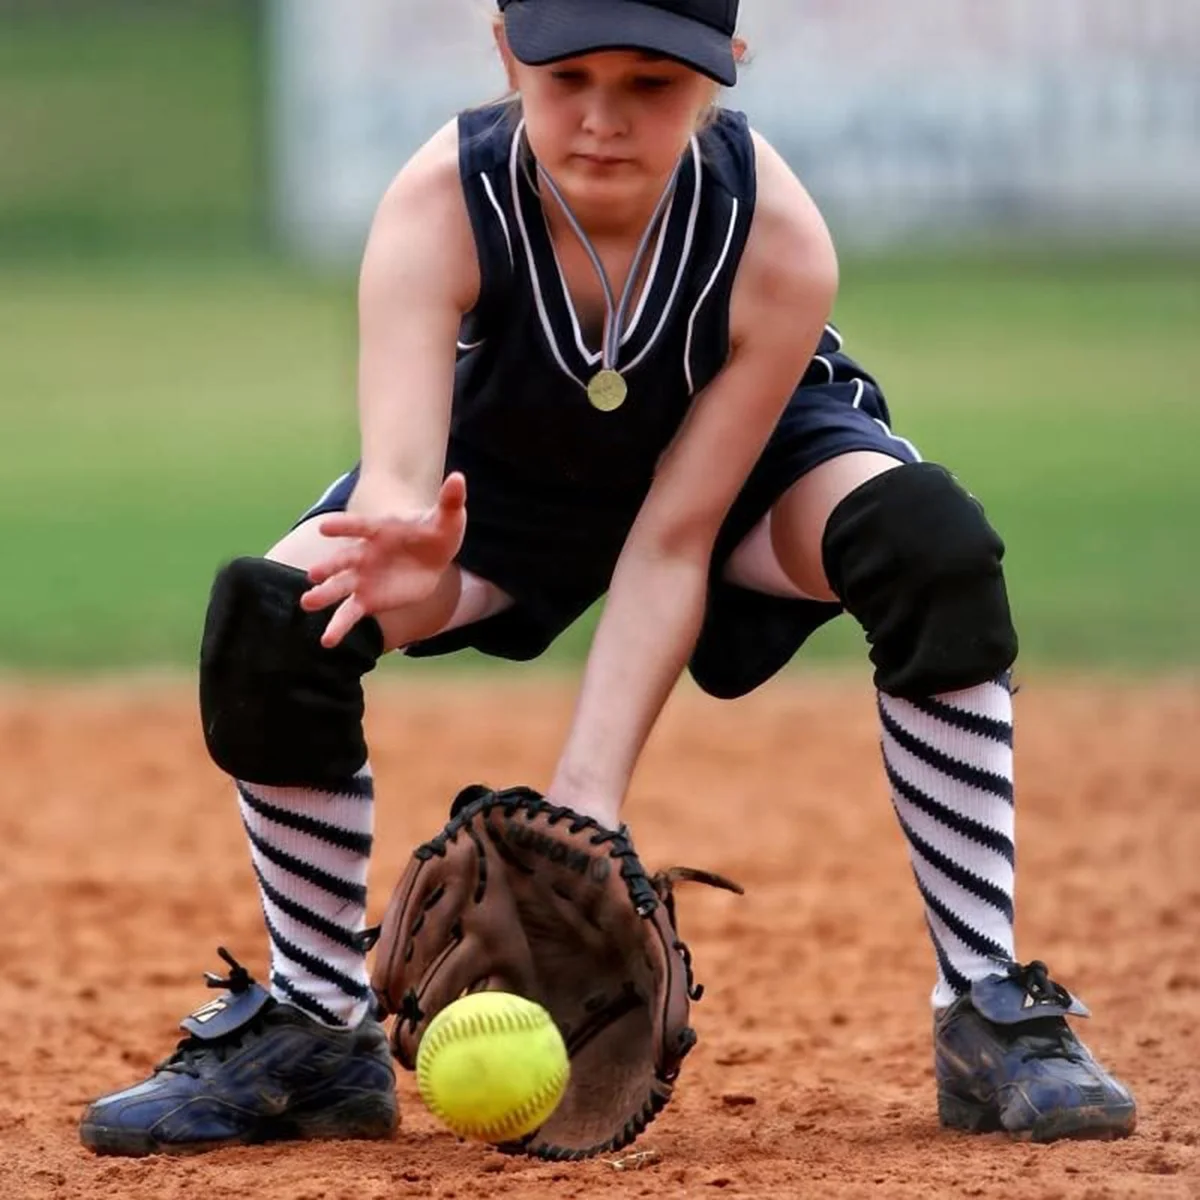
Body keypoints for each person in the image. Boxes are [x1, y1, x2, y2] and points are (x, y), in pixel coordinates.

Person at [80, 0, 1136, 1157]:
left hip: (736, 491)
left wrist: (587, 795)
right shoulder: (442, 206)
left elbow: (675, 536)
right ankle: (314, 1028)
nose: (602, 118)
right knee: (282, 611)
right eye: (568, 73)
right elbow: (397, 485)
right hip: (499, 485)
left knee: (925, 540)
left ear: (727, 69)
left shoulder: (775, 238)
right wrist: (415, 562)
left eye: (652, 82)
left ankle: (988, 1010)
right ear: (504, 54)